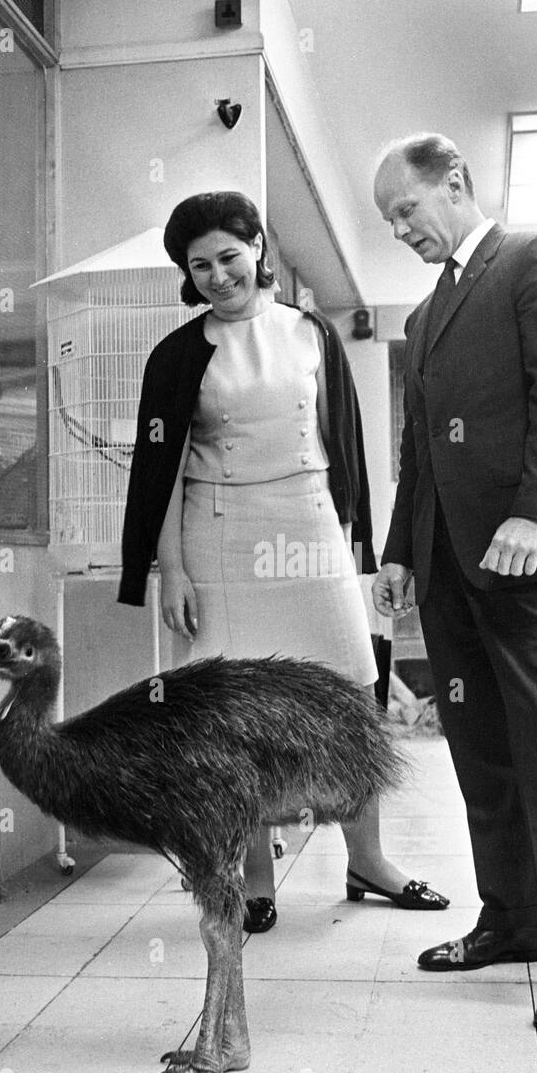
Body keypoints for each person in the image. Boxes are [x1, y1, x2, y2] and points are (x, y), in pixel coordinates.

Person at [118, 191, 449, 932]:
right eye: (198, 265)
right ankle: (255, 878)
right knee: (236, 715)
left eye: (228, 257)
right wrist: (171, 566)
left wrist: (362, 545)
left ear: (258, 247)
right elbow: (161, 470)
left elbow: (344, 444)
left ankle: (368, 859)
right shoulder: (175, 356)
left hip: (309, 526)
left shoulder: (312, 333)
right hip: (219, 535)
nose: (216, 275)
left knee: (351, 694)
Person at [372, 135, 537, 1030]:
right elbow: (420, 448)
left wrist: (536, 511)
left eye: (407, 209)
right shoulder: (423, 318)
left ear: (456, 182)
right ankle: (512, 920)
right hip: (448, 568)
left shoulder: (535, 260)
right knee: (480, 755)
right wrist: (401, 548)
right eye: (388, 221)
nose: (400, 230)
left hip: (528, 561)